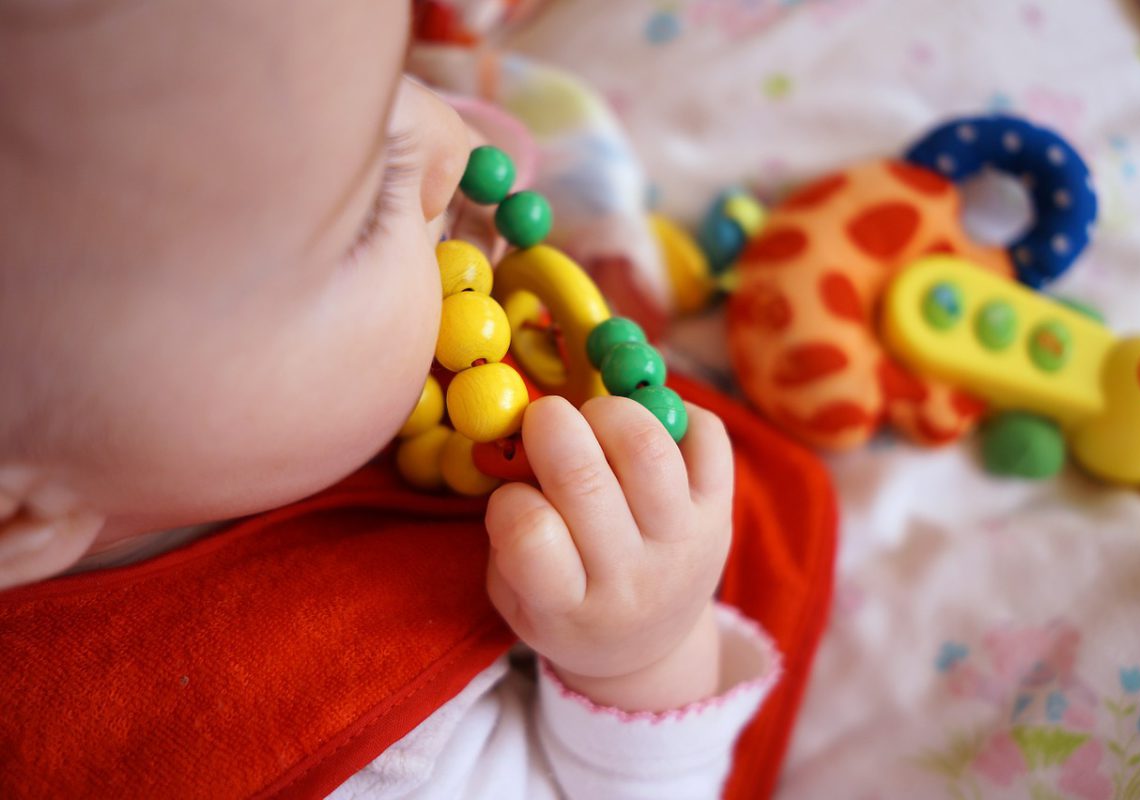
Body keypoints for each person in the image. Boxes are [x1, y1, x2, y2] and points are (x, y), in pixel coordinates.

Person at [0, 2, 834, 797]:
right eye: (363, 212)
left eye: (400, 88)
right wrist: (642, 658)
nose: (450, 140)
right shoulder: (350, 768)